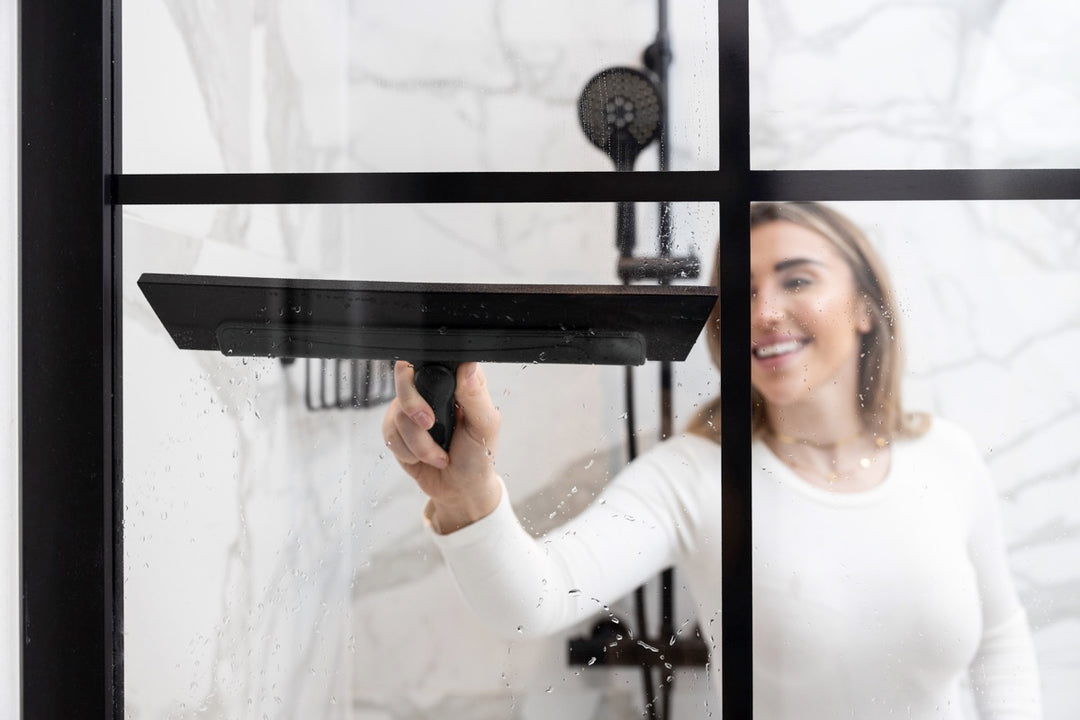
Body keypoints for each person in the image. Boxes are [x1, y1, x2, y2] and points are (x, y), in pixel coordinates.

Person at [381, 202, 1042, 718]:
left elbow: (1002, 642)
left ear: (866, 306)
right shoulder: (697, 476)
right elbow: (536, 600)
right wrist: (466, 496)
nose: (766, 313)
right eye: (743, 292)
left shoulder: (946, 458)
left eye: (797, 280)